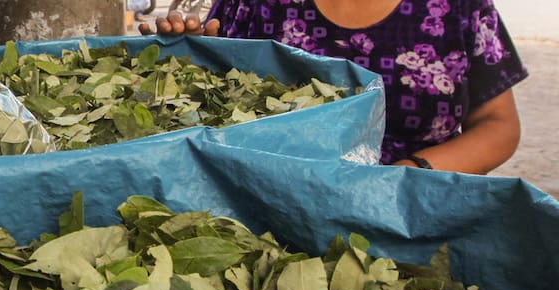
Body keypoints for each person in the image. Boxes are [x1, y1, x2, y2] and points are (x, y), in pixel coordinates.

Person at [141, 0, 526, 174]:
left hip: (420, 206)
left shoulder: (459, 7)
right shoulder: (255, 4)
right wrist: (181, 60)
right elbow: (219, 105)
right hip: (281, 203)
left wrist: (409, 174)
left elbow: (498, 125)